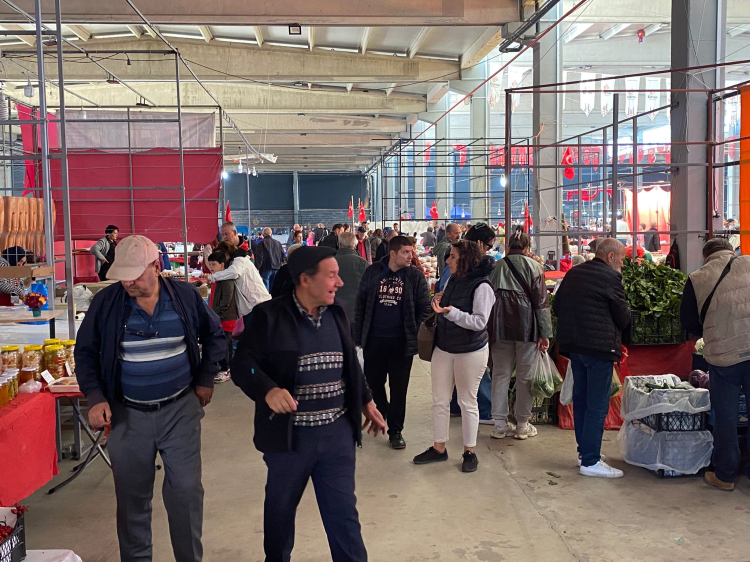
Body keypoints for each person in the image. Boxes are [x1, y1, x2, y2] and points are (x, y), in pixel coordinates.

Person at [76, 235, 226, 562]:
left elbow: (215, 335)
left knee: (186, 492)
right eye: (123, 275)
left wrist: (205, 378)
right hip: (127, 414)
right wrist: (96, 396)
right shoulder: (107, 303)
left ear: (156, 267)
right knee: (132, 499)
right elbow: (85, 352)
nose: (128, 282)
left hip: (179, 410)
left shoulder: (185, 296)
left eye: (135, 274)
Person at [231, 246, 386, 562]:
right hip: (290, 442)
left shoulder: (338, 312)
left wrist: (366, 400)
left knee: (344, 519)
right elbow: (243, 364)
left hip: (337, 437)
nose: (339, 282)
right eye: (331, 275)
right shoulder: (268, 317)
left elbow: (350, 364)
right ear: (305, 279)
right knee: (280, 517)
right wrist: (267, 389)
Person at [413, 240, 496, 472]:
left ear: (465, 260)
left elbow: (479, 322)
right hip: (443, 346)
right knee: (439, 399)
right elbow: (443, 308)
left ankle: (470, 451)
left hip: (471, 350)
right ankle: (439, 447)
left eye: (452, 256)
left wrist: (451, 312)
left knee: (467, 401)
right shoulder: (452, 279)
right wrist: (439, 301)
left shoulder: (483, 287)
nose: (448, 260)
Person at [553, 238, 630, 478]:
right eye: (621, 259)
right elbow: (622, 316)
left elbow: (557, 307)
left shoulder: (573, 273)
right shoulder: (611, 277)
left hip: (575, 348)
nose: (622, 264)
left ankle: (584, 452)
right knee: (597, 405)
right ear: (610, 256)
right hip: (599, 348)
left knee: (582, 401)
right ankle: (590, 461)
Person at [679, 238, 750, 491]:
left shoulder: (697, 278)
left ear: (705, 256)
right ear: (732, 251)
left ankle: (725, 475)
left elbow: (688, 322)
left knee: (726, 417)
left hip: (724, 357)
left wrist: (711, 331)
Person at [354, 235, 431, 449]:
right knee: (373, 383)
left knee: (399, 389)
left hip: (401, 343)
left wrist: (413, 330)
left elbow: (424, 307)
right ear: (393, 253)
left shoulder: (415, 276)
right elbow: (360, 304)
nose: (410, 256)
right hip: (374, 340)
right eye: (406, 252)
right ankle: (384, 409)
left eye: (411, 251)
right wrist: (358, 337)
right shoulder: (373, 272)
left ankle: (395, 431)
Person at [488, 227, 553, 440]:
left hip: (499, 326)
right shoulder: (535, 266)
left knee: (500, 374)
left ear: (508, 246)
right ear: (527, 247)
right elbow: (541, 302)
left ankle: (499, 425)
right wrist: (545, 333)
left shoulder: (496, 266)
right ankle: (522, 425)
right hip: (527, 327)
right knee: (525, 377)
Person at [209, 241, 270, 326]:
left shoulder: (239, 260)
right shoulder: (235, 262)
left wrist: (212, 277)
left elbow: (235, 272)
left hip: (257, 303)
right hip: (253, 305)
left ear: (226, 253)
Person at [207, 250, 239, 383]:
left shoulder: (226, 279)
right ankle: (226, 367)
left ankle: (225, 369)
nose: (211, 267)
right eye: (209, 264)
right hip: (219, 316)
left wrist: (215, 314)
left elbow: (226, 301)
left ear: (222, 264)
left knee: (224, 344)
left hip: (225, 318)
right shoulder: (217, 278)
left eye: (213, 264)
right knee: (224, 344)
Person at [335, 232, 368, 320]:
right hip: (357, 310)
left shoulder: (330, 262)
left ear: (339, 245)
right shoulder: (363, 263)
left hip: (336, 310)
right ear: (354, 245)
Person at [257, 227, 285, 292]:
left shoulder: (261, 243)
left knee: (265, 290)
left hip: (265, 269)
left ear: (263, 235)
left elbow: (260, 257)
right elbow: (283, 256)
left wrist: (257, 268)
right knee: (275, 289)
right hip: (277, 268)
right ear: (271, 234)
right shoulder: (278, 243)